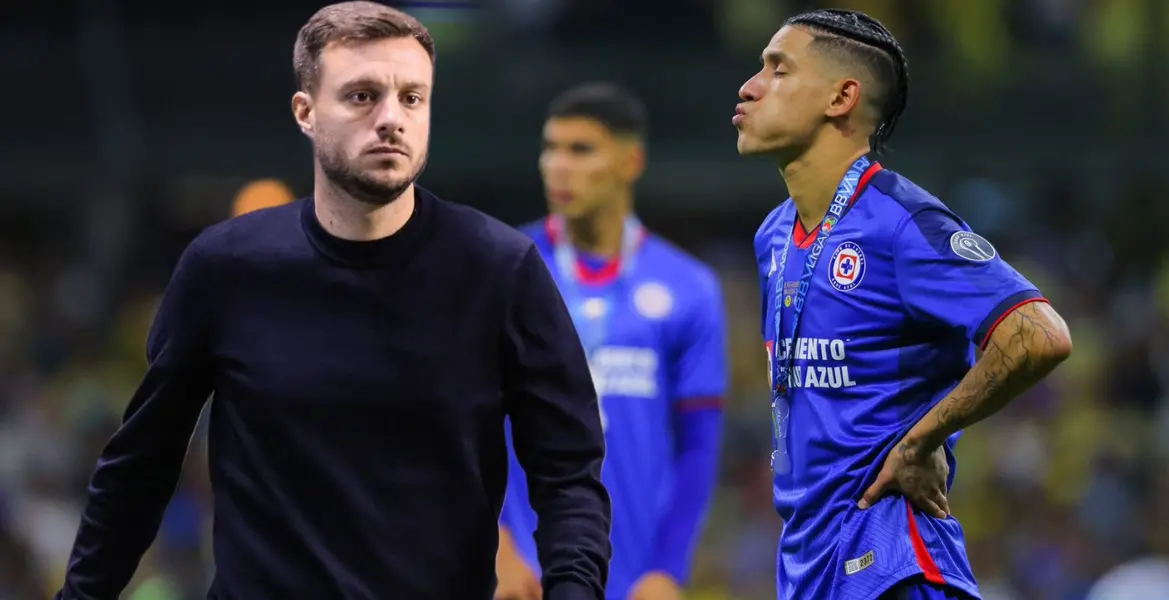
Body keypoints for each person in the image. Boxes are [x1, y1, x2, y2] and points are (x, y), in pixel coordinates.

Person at [54, 3, 610, 599]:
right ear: (306, 112)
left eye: (412, 98)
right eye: (363, 96)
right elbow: (141, 465)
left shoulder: (502, 270)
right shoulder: (226, 268)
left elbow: (569, 475)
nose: (391, 119)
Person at [733, 9, 1072, 600]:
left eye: (778, 69)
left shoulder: (900, 221)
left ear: (841, 97)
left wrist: (920, 440)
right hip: (808, 563)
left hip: (893, 560)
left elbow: (1038, 334)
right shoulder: (773, 235)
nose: (749, 85)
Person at [495, 83, 726, 600]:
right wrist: (497, 544)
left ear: (630, 161)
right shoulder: (502, 267)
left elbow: (699, 447)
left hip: (636, 577)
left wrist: (669, 569)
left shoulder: (689, 288)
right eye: (550, 148)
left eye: (580, 150)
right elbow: (462, 423)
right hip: (524, 576)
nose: (557, 165)